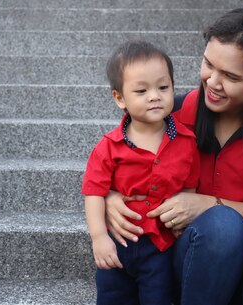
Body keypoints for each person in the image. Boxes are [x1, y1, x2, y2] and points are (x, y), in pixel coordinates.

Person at [104, 8, 243, 305]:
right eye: (208, 64)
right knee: (221, 227)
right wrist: (111, 197)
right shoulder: (168, 112)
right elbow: (111, 163)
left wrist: (209, 205)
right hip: (182, 266)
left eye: (230, 76)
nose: (212, 81)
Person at [82, 40, 200, 305]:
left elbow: (189, 186)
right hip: (118, 243)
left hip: (160, 246)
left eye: (163, 87)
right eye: (141, 90)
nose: (154, 96)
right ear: (120, 98)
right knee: (112, 297)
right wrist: (99, 238)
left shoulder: (186, 142)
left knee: (157, 298)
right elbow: (93, 193)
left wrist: (180, 222)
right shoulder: (108, 147)